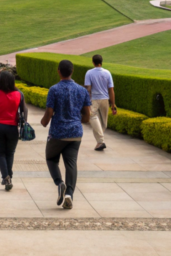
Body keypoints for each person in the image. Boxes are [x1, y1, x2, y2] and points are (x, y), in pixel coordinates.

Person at [40, 59, 91, 210]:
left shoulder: (54, 89)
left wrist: (44, 122)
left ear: (58, 71)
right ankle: (69, 194)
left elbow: (49, 113)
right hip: (75, 133)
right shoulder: (82, 90)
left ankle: (59, 183)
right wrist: (76, 122)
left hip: (58, 133)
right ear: (72, 71)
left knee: (51, 158)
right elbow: (87, 116)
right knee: (71, 163)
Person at [83, 54, 117, 151]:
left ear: (93, 62)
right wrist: (113, 104)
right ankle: (99, 142)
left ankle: (100, 141)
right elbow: (111, 90)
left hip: (94, 99)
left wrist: (85, 101)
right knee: (103, 123)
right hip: (105, 100)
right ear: (101, 62)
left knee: (92, 117)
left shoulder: (89, 73)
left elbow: (88, 89)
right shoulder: (107, 73)